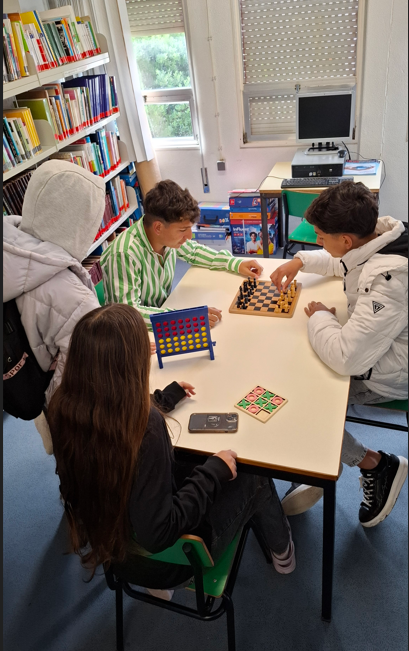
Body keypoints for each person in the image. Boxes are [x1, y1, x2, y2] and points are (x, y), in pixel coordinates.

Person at [48, 304, 295, 596]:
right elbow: (159, 534)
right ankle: (283, 554)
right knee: (254, 474)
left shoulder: (62, 407)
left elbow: (110, 418)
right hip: (167, 562)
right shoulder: (147, 427)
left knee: (191, 461)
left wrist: (162, 399)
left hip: (111, 549)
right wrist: (211, 473)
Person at [270, 181, 408, 528]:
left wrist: (320, 316)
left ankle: (375, 464)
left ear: (345, 240)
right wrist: (299, 261)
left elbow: (347, 358)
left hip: (391, 374)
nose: (316, 241)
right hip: (378, 350)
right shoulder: (379, 236)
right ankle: (315, 455)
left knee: (297, 400)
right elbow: (342, 264)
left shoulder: (388, 280)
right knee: (299, 372)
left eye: (320, 237)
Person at [3, 160, 106, 454]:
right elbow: (81, 376)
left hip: (21, 376)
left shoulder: (11, 243)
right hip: (67, 408)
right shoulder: (74, 296)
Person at [100, 180, 263, 329]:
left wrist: (235, 263)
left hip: (160, 315)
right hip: (135, 334)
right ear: (158, 227)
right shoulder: (124, 253)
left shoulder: (164, 237)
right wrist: (184, 318)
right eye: (183, 230)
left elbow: (194, 251)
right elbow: (127, 316)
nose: (189, 236)